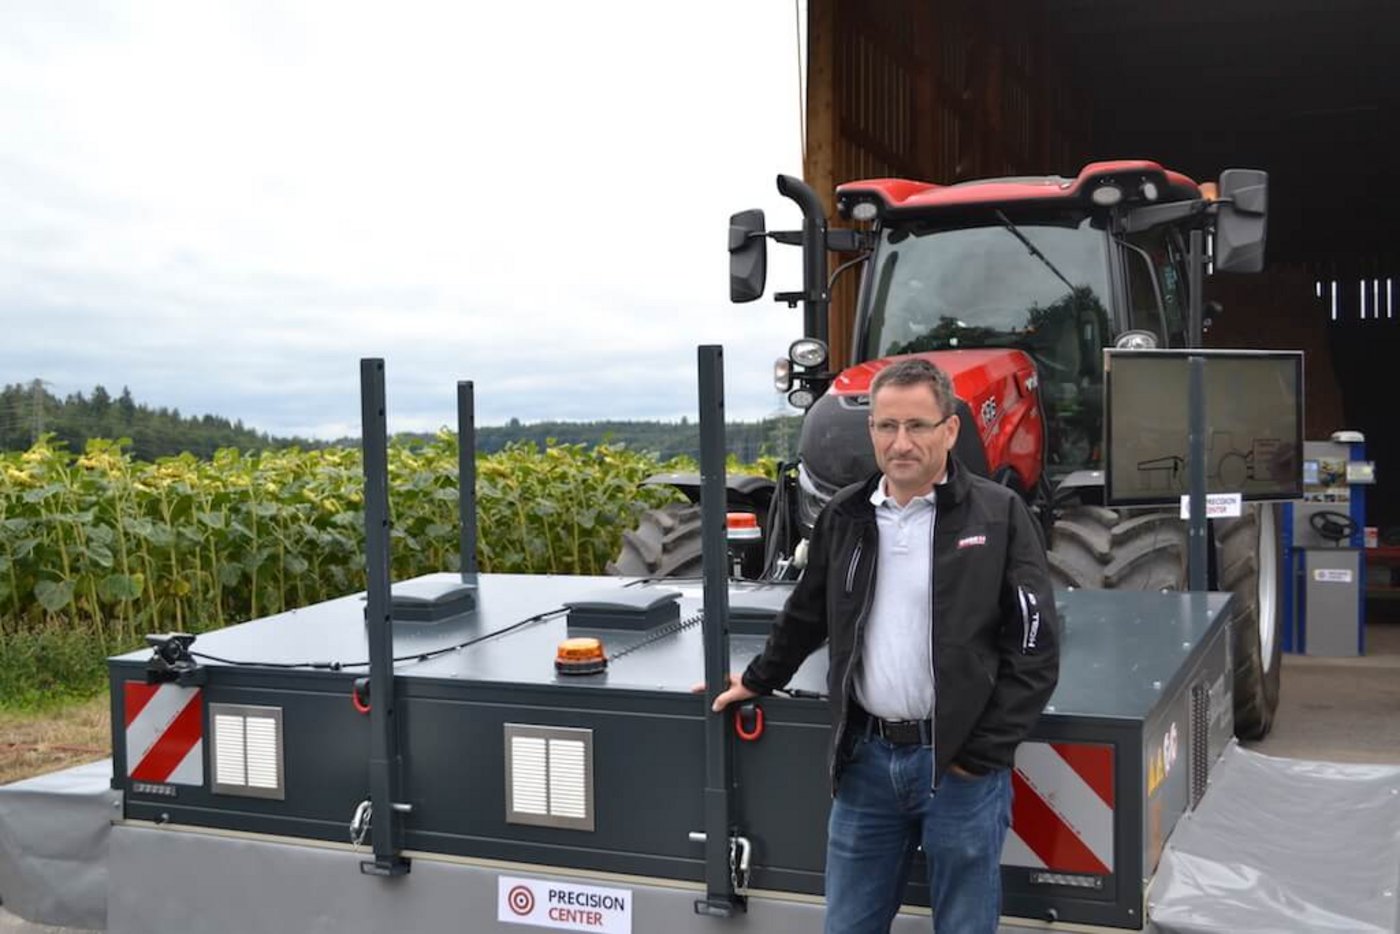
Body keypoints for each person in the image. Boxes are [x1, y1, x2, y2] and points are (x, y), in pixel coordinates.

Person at [711, 357, 1059, 934]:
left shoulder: (998, 516)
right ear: (871, 431)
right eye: (887, 426)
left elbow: (1034, 645)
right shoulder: (846, 516)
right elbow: (807, 612)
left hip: (957, 769)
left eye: (918, 425)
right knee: (848, 925)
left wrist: (983, 754)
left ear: (949, 430)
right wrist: (757, 678)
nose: (901, 442)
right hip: (866, 765)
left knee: (965, 926)